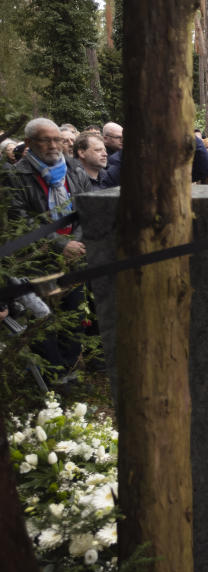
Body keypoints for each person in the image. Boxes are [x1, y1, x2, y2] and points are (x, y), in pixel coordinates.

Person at [3, 117, 92, 383]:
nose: (54, 145)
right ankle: (54, 380)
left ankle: (70, 373)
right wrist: (61, 244)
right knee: (46, 322)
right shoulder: (15, 176)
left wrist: (76, 242)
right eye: (46, 140)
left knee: (74, 317)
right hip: (37, 261)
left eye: (58, 139)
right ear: (29, 143)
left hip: (75, 258)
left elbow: (87, 211)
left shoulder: (74, 170)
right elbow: (19, 220)